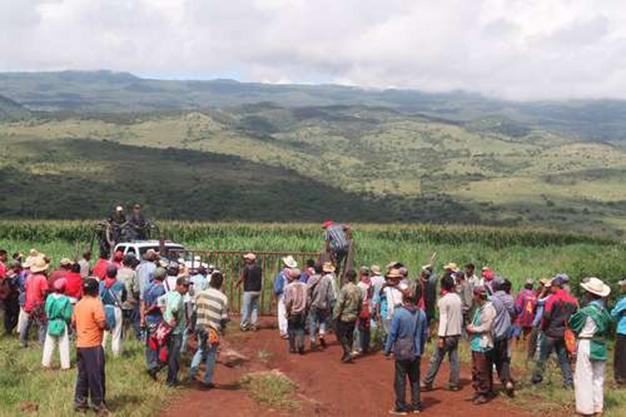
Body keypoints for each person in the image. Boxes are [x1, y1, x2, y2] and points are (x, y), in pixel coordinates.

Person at [569, 278, 612, 416]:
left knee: (584, 376)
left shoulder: (586, 311)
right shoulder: (605, 312)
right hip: (600, 345)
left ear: (589, 294)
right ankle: (598, 407)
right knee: (598, 378)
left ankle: (585, 409)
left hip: (587, 343)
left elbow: (573, 324)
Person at [384, 282, 428, 415]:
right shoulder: (422, 314)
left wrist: (387, 349)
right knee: (414, 379)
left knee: (400, 379)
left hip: (402, 351)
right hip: (416, 351)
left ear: (404, 298)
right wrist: (420, 348)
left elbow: (392, 334)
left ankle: (401, 407)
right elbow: (424, 334)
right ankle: (416, 405)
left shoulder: (399, 314)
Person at [531, 275, 578, 388]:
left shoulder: (552, 299)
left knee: (542, 357)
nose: (550, 289)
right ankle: (568, 383)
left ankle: (536, 381)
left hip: (550, 332)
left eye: (551, 286)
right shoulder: (571, 300)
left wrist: (544, 328)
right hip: (562, 333)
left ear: (555, 287)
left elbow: (546, 316)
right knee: (563, 359)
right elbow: (574, 314)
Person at [422, 275, 463, 392]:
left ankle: (427, 382)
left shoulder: (443, 301)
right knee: (454, 358)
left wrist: (441, 337)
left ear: (443, 285)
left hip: (447, 334)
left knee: (436, 358)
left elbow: (443, 319)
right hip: (456, 332)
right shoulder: (457, 298)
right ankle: (454, 383)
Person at [73, 278, 107, 414]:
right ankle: (98, 405)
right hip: (93, 344)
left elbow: (73, 323)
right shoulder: (96, 303)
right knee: (96, 376)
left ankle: (80, 403)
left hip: (81, 344)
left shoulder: (78, 304)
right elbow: (102, 324)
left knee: (82, 375)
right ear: (96, 290)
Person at [189, 272, 229, 388]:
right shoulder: (223, 298)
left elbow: (195, 312)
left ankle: (192, 372)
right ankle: (207, 380)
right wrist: (223, 329)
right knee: (212, 353)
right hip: (213, 329)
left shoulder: (201, 294)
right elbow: (223, 318)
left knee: (201, 349)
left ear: (210, 281)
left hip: (200, 326)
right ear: (221, 283)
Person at [467, 285, 497, 405]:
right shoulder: (481, 308)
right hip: (476, 343)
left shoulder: (488, 309)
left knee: (482, 369)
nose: (473, 297)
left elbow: (486, 327)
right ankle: (481, 390)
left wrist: (472, 329)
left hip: (483, 344)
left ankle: (483, 392)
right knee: (477, 369)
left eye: (474, 295)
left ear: (478, 296)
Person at [160, 276, 189, 387]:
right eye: (184, 286)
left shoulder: (169, 294)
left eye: (187, 286)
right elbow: (174, 309)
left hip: (169, 329)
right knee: (173, 356)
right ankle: (170, 381)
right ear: (178, 285)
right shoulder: (178, 297)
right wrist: (174, 319)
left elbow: (160, 301)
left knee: (171, 354)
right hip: (176, 331)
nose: (186, 289)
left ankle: (172, 378)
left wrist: (164, 314)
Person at [490, 278, 517, 396]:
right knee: (503, 359)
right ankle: (507, 382)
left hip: (492, 334)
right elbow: (513, 313)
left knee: (488, 360)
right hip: (505, 333)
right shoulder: (510, 299)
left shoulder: (491, 299)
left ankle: (488, 386)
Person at [42, 278, 72, 370]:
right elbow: (67, 315)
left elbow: (46, 310)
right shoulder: (66, 300)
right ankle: (65, 365)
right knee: (63, 344)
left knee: (49, 344)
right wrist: (68, 323)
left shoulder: (50, 297)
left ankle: (45, 363)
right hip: (62, 322)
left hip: (51, 322)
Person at [334, 269, 363, 363]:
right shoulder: (358, 289)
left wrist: (335, 315)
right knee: (350, 335)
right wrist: (358, 313)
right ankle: (347, 353)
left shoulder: (345, 289)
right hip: (353, 316)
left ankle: (347, 351)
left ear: (347, 277)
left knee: (341, 335)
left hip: (344, 316)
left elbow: (339, 304)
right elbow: (360, 304)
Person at [20, 255, 49, 347]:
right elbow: (44, 292)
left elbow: (25, 288)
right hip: (38, 304)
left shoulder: (29, 277)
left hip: (28, 303)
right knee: (42, 324)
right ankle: (41, 343)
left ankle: (22, 341)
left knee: (26, 323)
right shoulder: (42, 278)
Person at [143, 267, 167, 379]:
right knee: (156, 342)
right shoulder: (160, 288)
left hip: (148, 318)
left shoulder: (148, 286)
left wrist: (144, 314)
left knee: (150, 341)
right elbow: (158, 303)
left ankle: (151, 363)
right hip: (156, 317)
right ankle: (154, 365)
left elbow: (142, 301)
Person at [99, 265, 127, 358]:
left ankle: (101, 353)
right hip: (116, 309)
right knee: (116, 333)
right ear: (116, 273)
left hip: (104, 308)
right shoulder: (120, 284)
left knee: (103, 333)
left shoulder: (101, 284)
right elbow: (124, 298)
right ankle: (116, 355)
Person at [307, 262, 335, 350]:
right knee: (322, 320)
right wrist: (329, 305)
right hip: (324, 304)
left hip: (314, 303)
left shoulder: (311, 278)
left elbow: (308, 291)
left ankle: (312, 339)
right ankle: (321, 334)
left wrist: (308, 302)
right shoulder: (326, 279)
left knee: (313, 321)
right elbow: (330, 294)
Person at [236, 253, 263, 331]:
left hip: (249, 290)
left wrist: (237, 284)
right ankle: (254, 324)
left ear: (250, 260)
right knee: (254, 308)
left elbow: (242, 278)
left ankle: (244, 325)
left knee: (246, 308)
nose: (245, 260)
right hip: (257, 290)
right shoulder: (259, 268)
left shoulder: (247, 268)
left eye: (247, 259)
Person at [284, 268, 308, 354]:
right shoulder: (305, 286)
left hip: (293, 311)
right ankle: (300, 344)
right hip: (302, 311)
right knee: (301, 328)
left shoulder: (289, 287)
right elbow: (308, 299)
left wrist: (287, 311)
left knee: (291, 329)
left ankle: (292, 347)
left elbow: (288, 301)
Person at [117, 255, 140, 340]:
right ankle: (130, 338)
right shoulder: (133, 273)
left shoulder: (118, 272)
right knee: (132, 322)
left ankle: (121, 337)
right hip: (131, 301)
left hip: (119, 301)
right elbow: (136, 289)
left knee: (121, 322)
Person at [274, 256, 297, 339]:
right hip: (293, 294)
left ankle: (283, 330)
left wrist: (276, 294)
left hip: (283, 295)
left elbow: (277, 288)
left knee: (282, 312)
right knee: (290, 312)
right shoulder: (294, 274)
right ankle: (290, 329)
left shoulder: (282, 274)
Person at [611, 278, 626, 386]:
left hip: (623, 331)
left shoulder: (624, 301)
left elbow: (613, 313)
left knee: (621, 355)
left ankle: (620, 378)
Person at [355, 266, 373, 355]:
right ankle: (366, 346)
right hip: (368, 306)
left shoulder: (359, 285)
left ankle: (360, 347)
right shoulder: (370, 284)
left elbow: (358, 299)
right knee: (367, 327)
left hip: (362, 306)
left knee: (359, 328)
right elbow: (370, 297)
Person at [1, 259, 20, 334]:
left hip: (5, 296)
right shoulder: (16, 276)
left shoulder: (6, 274)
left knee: (7, 313)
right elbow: (16, 287)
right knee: (15, 313)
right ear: (15, 267)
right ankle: (10, 328)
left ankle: (7, 329)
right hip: (13, 297)